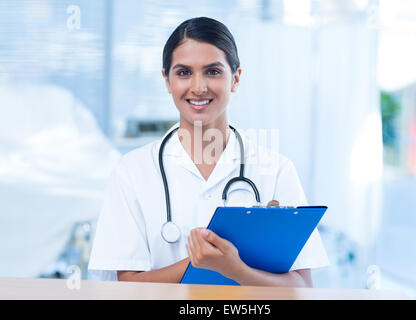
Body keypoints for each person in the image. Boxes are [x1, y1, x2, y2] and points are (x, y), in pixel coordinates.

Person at [88, 17, 329, 286]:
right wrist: (200, 261)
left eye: (213, 71)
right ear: (167, 81)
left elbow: (301, 288)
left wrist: (233, 268)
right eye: (183, 73)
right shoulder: (132, 171)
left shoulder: (276, 170)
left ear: (235, 79)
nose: (198, 87)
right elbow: (127, 287)